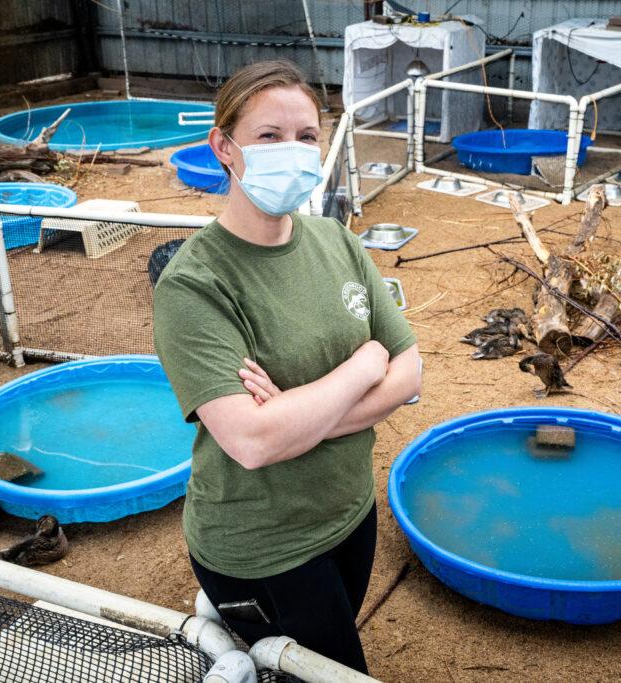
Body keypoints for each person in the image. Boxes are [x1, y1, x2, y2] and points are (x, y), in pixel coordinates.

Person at [153, 60, 421, 674]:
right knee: (336, 670)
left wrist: (296, 418)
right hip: (263, 545)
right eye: (269, 136)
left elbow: (410, 373)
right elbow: (250, 442)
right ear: (224, 146)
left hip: (351, 509)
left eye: (306, 136)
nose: (292, 152)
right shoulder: (195, 284)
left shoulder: (338, 241)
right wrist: (364, 363)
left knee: (320, 646)